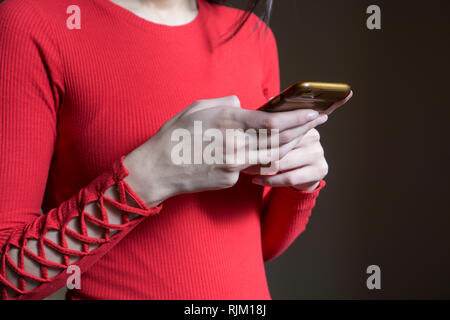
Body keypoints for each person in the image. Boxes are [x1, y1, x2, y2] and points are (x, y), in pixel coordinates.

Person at [0, 0, 349, 300]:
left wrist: (297, 187)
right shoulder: (34, 21)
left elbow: (258, 248)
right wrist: (149, 177)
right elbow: (8, 277)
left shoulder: (252, 35)